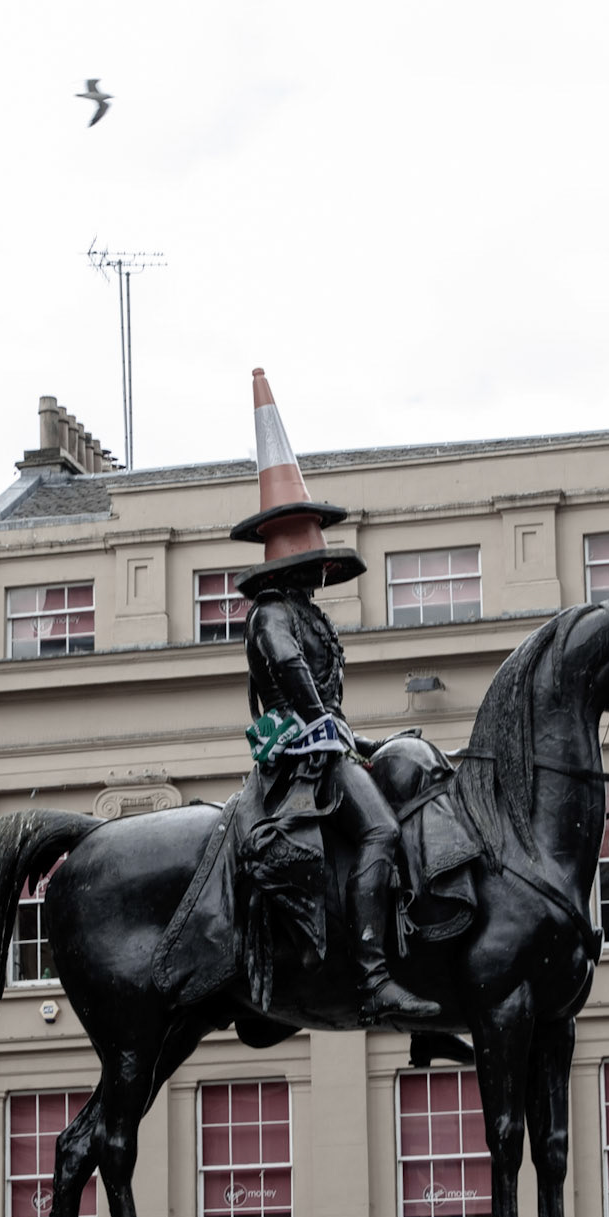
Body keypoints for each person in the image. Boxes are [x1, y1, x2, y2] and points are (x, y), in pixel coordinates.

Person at [231, 369, 440, 1025]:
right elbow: (295, 685)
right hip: (300, 759)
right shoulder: (272, 617)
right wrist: (332, 731)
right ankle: (374, 978)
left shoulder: (305, 612)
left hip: (328, 745)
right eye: (314, 546)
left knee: (416, 771)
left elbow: (327, 700)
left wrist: (359, 736)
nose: (325, 562)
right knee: (377, 830)